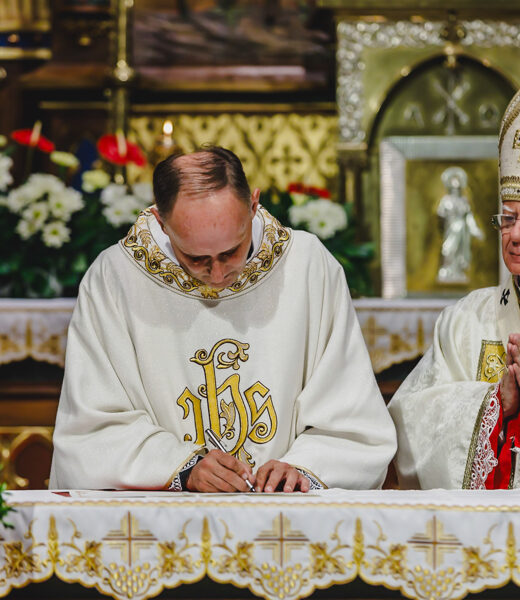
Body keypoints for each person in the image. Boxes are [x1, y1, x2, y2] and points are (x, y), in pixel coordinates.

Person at [50, 147, 397, 493]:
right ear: (161, 222)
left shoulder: (307, 266)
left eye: (231, 252)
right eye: (196, 258)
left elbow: (349, 415)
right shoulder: (116, 278)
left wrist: (304, 467)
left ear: (253, 205)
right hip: (166, 516)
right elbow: (92, 429)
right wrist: (180, 467)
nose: (217, 275)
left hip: (286, 511)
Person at [388, 62, 520, 489]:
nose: (516, 234)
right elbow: (407, 426)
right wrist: (492, 404)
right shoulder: (466, 319)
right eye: (507, 218)